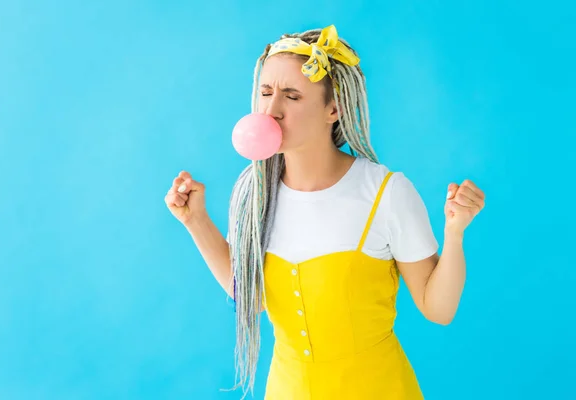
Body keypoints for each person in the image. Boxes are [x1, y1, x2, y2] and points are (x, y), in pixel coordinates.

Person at [165, 25, 485, 400]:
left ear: (333, 109)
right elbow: (252, 296)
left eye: (292, 96)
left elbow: (438, 309)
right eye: (265, 93)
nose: (271, 111)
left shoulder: (386, 192)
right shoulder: (253, 192)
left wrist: (455, 232)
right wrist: (195, 221)